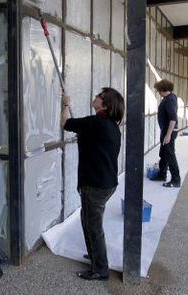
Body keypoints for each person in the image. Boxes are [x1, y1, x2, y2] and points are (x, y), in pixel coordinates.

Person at [61, 87, 124, 281]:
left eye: (99, 96)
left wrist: (65, 104)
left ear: (104, 104)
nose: (95, 97)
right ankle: (96, 256)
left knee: (92, 226)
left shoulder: (95, 122)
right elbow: (96, 144)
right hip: (107, 183)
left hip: (95, 184)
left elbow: (65, 123)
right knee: (89, 221)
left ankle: (100, 270)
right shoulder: (111, 125)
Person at [150, 79, 181, 187]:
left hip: (169, 132)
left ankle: (176, 180)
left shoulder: (170, 100)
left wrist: (168, 135)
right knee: (163, 153)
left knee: (170, 155)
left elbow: (173, 119)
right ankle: (161, 174)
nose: (158, 92)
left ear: (163, 89)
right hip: (166, 131)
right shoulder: (168, 98)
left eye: (158, 90)